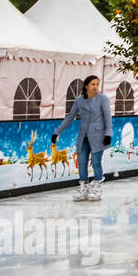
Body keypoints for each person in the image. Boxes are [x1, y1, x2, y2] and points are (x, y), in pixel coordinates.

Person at [51, 74, 112, 202]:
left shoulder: (103, 99)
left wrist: (108, 134)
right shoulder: (79, 100)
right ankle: (83, 187)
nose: (95, 87)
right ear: (86, 86)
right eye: (93, 84)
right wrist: (57, 132)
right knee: (82, 163)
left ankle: (96, 186)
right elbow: (70, 117)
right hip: (83, 136)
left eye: (97, 84)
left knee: (96, 162)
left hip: (98, 136)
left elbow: (108, 118)